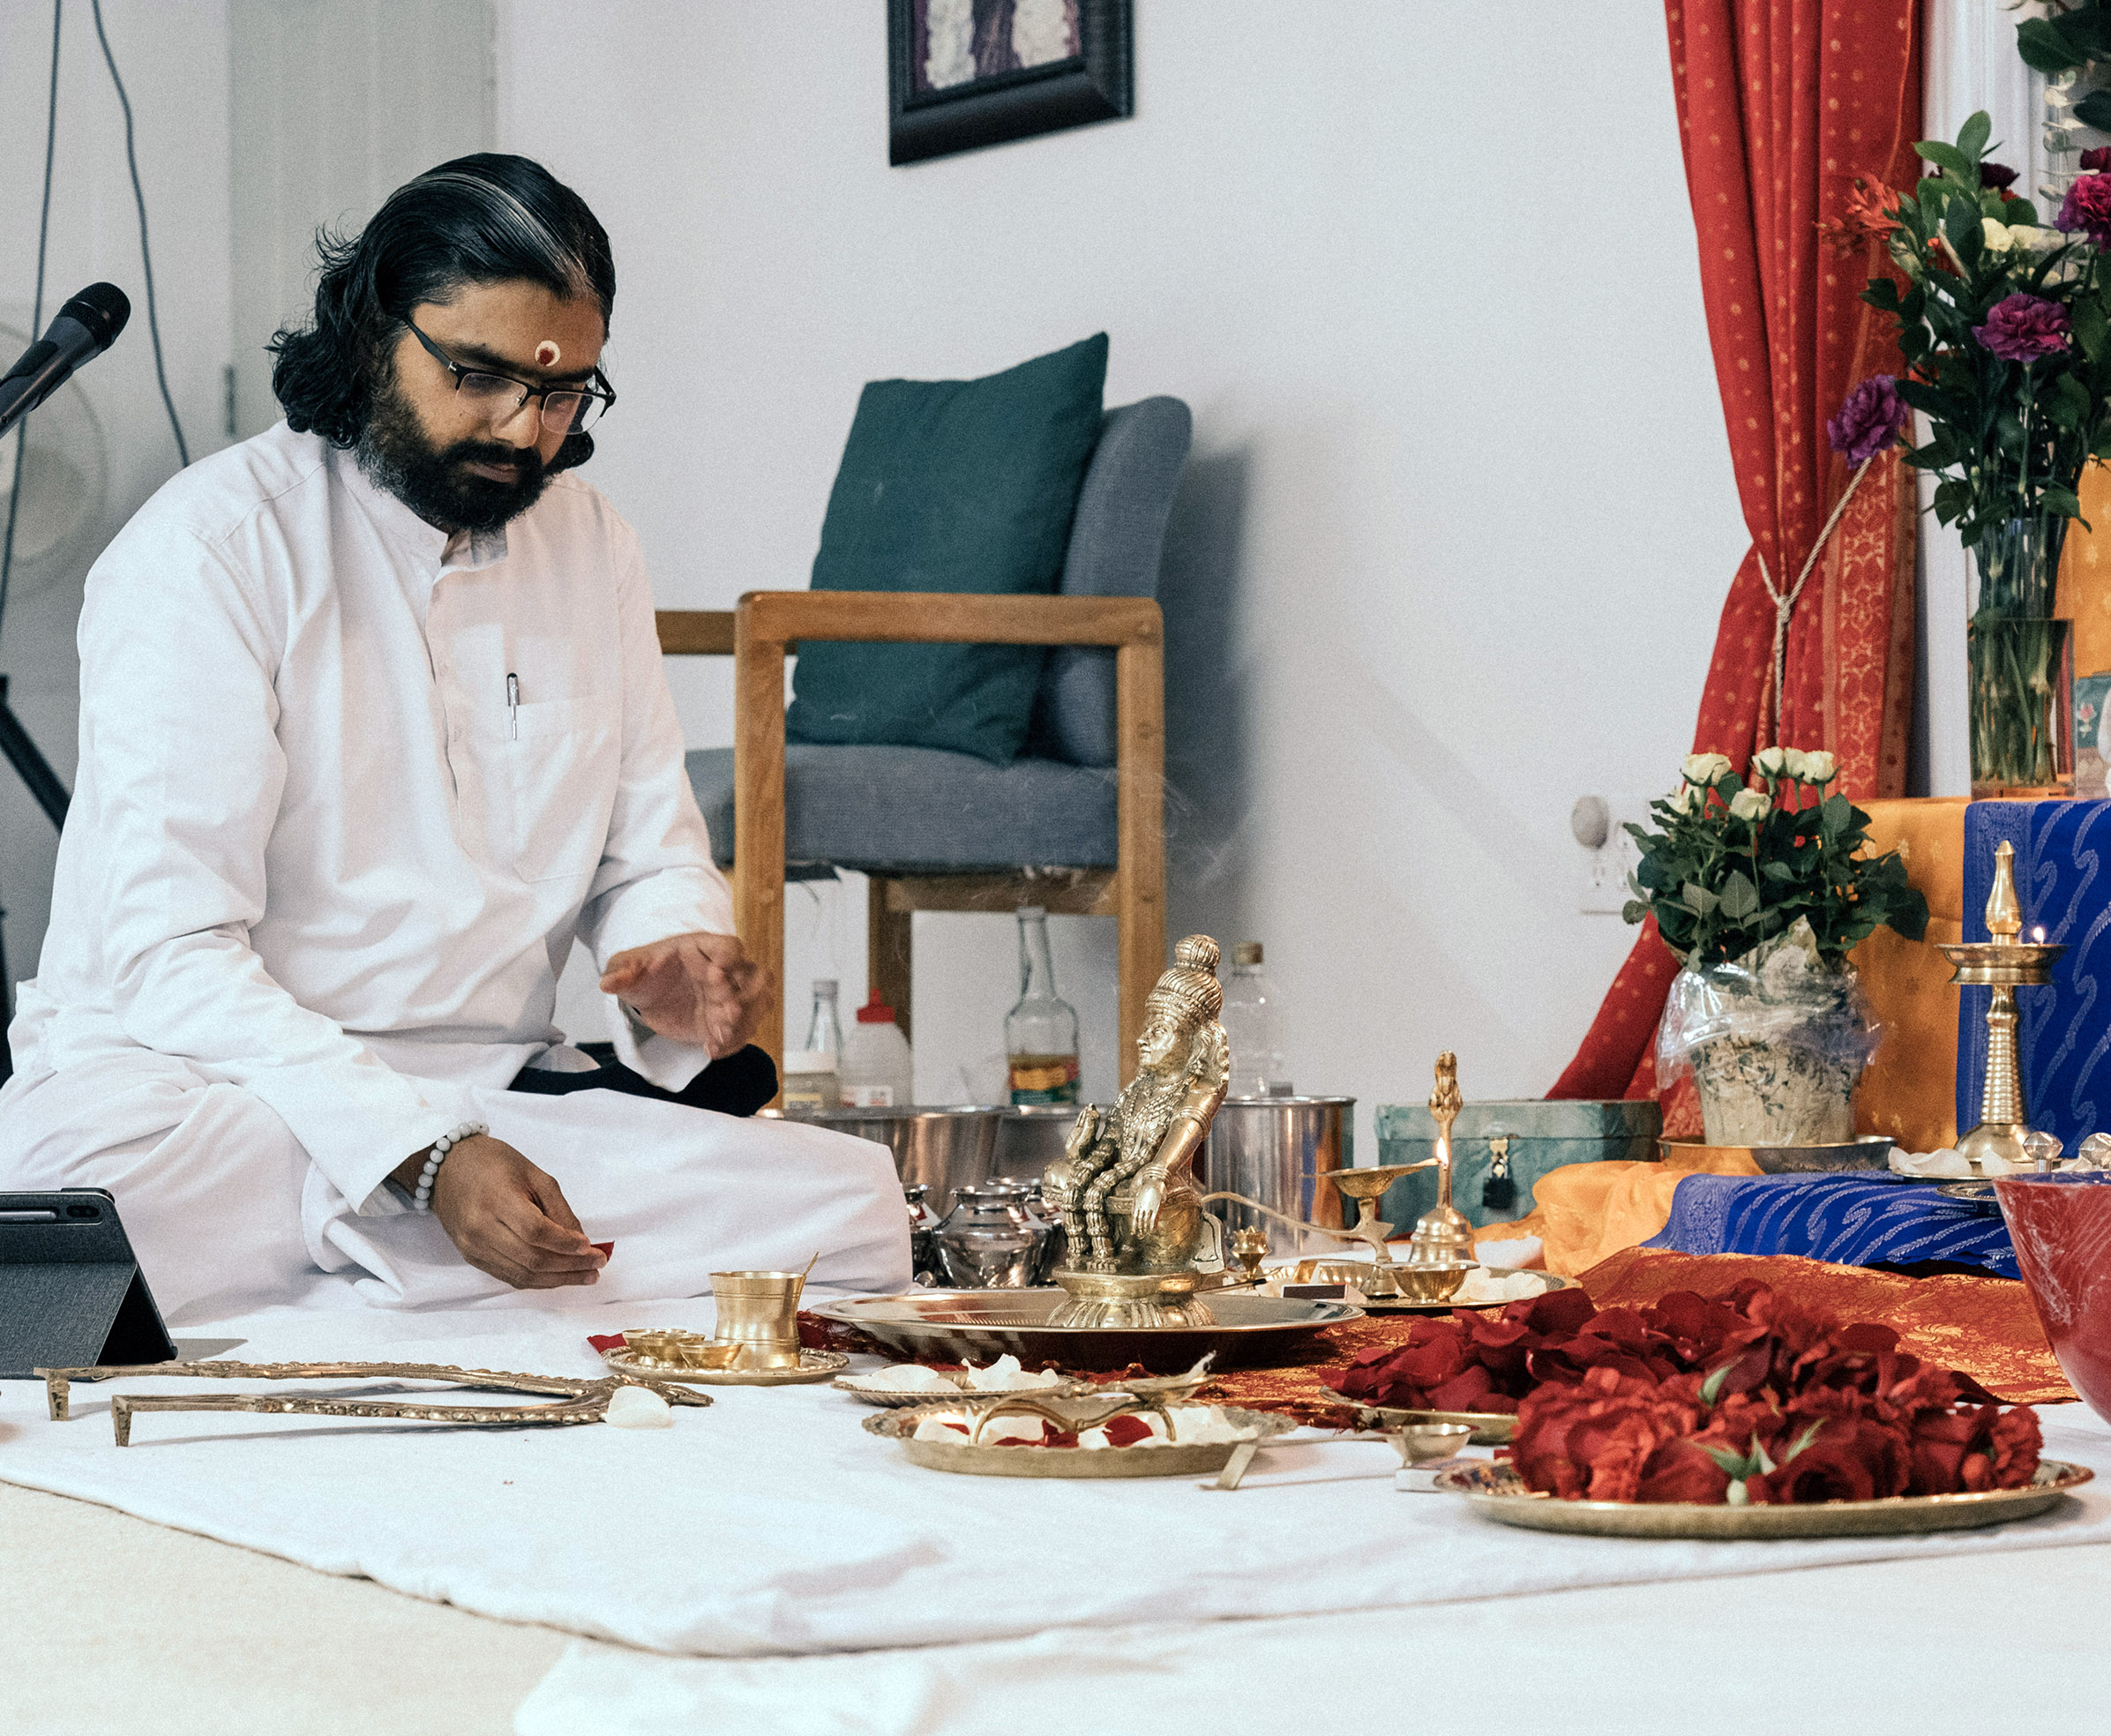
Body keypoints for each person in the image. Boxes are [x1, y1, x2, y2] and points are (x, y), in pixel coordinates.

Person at [0, 155, 905, 1321]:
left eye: (568, 391)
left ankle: (358, 1288)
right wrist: (418, 1161)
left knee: (848, 1210)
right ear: (378, 328)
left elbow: (650, 848)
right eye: (477, 376)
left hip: (492, 1095)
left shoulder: (594, 546)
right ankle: (413, 1271)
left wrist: (671, 951)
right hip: (209, 1094)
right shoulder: (211, 549)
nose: (525, 429)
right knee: (79, 1213)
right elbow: (170, 962)